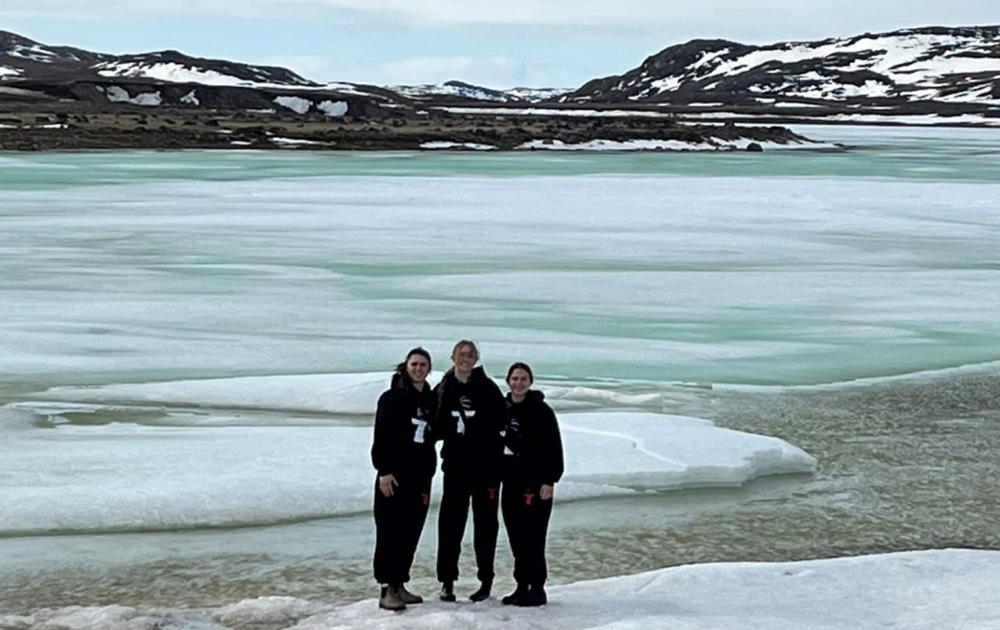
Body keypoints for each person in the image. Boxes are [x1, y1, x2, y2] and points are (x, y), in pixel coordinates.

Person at [433, 339, 506, 602]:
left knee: (486, 526)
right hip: (455, 468)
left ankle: (485, 580)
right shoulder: (444, 387)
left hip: (486, 470)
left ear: (476, 359)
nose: (466, 359)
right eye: (461, 355)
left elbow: (504, 423)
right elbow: (433, 422)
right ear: (453, 358)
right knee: (451, 525)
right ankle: (447, 581)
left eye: (471, 355)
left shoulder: (488, 388)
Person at [371, 347, 437, 611]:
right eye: (414, 364)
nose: (418, 369)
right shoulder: (391, 398)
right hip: (394, 476)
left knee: (411, 531)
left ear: (428, 369)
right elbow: (381, 435)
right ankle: (387, 588)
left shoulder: (431, 399)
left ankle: (400, 584)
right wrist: (383, 470)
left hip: (420, 476)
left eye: (423, 365)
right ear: (406, 367)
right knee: (389, 531)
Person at [499, 362, 564, 607]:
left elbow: (553, 448)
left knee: (534, 537)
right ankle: (521, 585)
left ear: (530, 381)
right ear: (508, 381)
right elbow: (497, 440)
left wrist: (550, 480)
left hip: (536, 484)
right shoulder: (503, 409)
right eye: (514, 379)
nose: (518, 383)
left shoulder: (542, 411)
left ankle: (537, 588)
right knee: (516, 536)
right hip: (511, 482)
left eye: (523, 379)